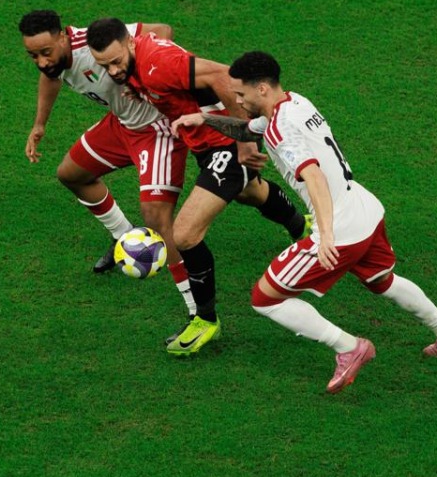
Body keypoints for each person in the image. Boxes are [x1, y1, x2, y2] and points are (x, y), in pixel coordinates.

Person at [172, 51, 437, 394]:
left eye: (241, 94)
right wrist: (203, 118)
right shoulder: (295, 103)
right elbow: (247, 128)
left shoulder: (280, 129)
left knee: (265, 298)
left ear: (262, 89)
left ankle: (349, 347)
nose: (237, 101)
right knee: (382, 280)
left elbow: (313, 176)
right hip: (364, 208)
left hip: (340, 226)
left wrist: (326, 236)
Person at [86, 19, 309, 356]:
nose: (113, 71)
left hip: (225, 142)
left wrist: (244, 137)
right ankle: (300, 226)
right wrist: (135, 86)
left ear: (130, 42)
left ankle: (205, 320)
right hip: (204, 144)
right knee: (250, 192)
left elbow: (222, 75)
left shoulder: (158, 63)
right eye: (105, 66)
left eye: (116, 62)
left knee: (184, 235)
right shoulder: (134, 63)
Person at [18, 10, 196, 318]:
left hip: (157, 129)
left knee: (156, 216)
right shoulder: (56, 62)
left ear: (63, 37)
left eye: (46, 52)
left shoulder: (95, 43)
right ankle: (123, 236)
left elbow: (163, 30)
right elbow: (50, 77)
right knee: (71, 174)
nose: (42, 62)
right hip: (122, 125)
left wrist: (140, 78)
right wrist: (39, 124)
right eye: (33, 56)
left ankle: (197, 309)